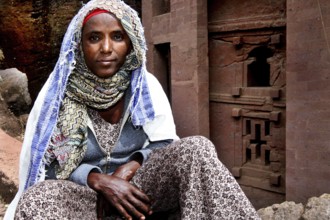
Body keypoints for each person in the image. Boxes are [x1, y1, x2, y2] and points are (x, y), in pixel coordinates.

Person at [5, 0, 260, 219]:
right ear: (80, 46)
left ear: (130, 43)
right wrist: (99, 181)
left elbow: (164, 144)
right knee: (38, 198)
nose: (106, 48)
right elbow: (47, 166)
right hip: (85, 197)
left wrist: (130, 168)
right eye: (94, 38)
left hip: (138, 192)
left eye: (117, 36)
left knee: (197, 149)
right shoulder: (59, 95)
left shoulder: (143, 87)